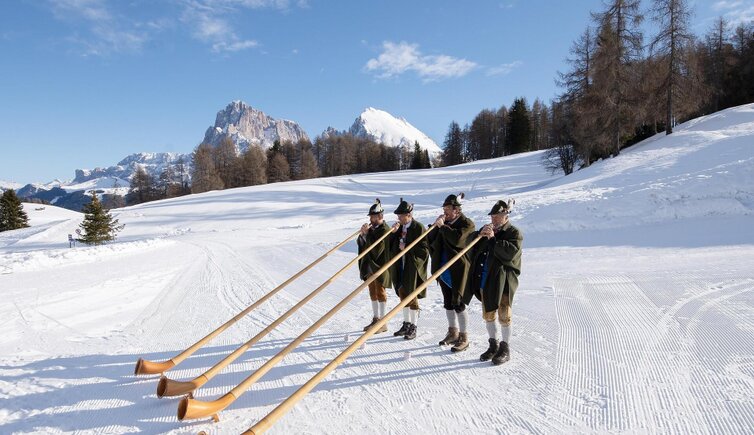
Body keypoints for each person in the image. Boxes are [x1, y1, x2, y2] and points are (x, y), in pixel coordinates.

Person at [463, 199, 522, 365]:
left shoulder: (513, 232)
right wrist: (478, 235)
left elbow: (509, 254)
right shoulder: (488, 230)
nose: (494, 219)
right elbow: (469, 245)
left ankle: (505, 348)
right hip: (486, 278)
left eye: (497, 216)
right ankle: (493, 345)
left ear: (506, 216)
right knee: (488, 313)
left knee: (504, 314)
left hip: (504, 281)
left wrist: (492, 239)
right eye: (492, 216)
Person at [428, 193, 476, 352]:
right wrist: (435, 227)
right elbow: (430, 241)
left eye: (448, 209)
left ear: (457, 210)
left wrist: (443, 227)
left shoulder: (467, 223)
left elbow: (458, 240)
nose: (445, 212)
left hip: (458, 269)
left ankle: (464, 336)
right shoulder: (445, 223)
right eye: (444, 209)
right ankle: (452, 332)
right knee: (448, 302)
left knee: (459, 303)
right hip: (442, 267)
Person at [389, 198, 429, 340]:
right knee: (402, 293)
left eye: (401, 216)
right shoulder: (400, 227)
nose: (399, 218)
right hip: (400, 264)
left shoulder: (418, 227)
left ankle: (414, 326)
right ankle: (406, 323)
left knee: (412, 295)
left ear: (409, 215)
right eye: (398, 216)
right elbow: (390, 245)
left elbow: (424, 250)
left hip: (412, 266)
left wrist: (407, 248)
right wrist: (393, 233)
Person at [357, 199, 392, 334]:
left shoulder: (385, 230)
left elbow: (377, 249)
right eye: (370, 217)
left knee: (380, 292)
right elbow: (362, 244)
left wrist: (367, 235)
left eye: (373, 217)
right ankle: (376, 318)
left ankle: (383, 322)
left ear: (380, 216)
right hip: (369, 266)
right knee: (372, 292)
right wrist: (362, 235)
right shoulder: (372, 229)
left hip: (380, 266)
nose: (371, 220)